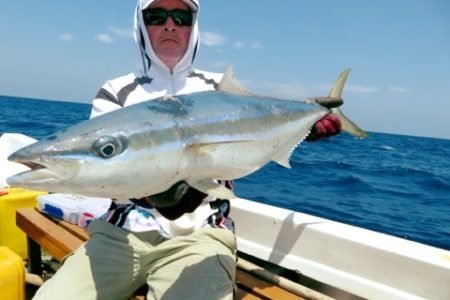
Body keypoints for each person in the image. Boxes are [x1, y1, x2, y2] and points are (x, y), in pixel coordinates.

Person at [33, 0, 341, 299]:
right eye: (157, 16)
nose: (169, 24)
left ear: (194, 26)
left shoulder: (217, 87)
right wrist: (152, 194)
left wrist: (304, 124)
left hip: (201, 235)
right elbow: (103, 169)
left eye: (181, 16)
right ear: (141, 23)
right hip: (119, 234)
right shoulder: (116, 91)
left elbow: (255, 134)